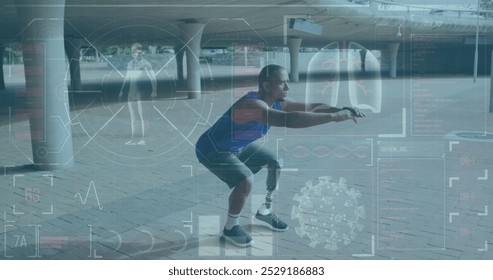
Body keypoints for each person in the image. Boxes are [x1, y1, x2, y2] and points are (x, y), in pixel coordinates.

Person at [195, 64, 365, 247]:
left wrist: (338, 109)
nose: (288, 88)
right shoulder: (251, 104)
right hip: (213, 149)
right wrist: (334, 117)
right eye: (282, 83)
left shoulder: (275, 101)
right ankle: (231, 227)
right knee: (245, 180)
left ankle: (265, 211)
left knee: (276, 161)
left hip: (238, 145)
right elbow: (289, 120)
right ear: (267, 86)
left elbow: (312, 107)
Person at [119, 42, 157, 145]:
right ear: (132, 53)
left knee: (142, 115)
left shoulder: (146, 64)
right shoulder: (130, 64)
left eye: (139, 52)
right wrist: (121, 90)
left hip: (142, 92)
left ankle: (144, 138)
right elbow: (127, 77)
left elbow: (153, 77)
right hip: (131, 92)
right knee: (133, 116)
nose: (137, 54)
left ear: (142, 52)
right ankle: (133, 138)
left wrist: (154, 91)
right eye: (135, 52)